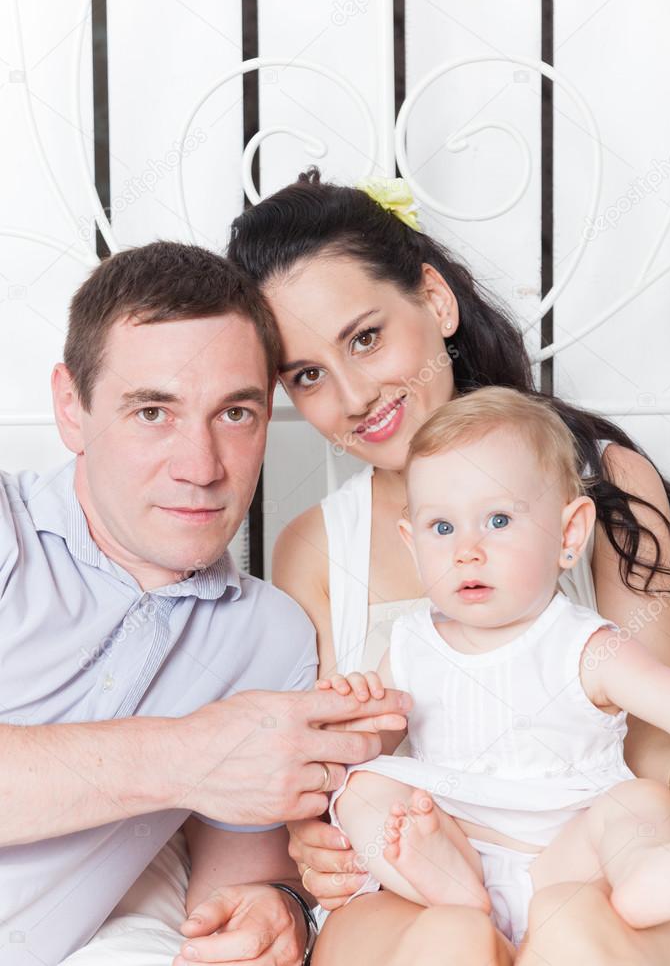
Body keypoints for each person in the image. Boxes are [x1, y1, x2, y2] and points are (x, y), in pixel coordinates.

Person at [224, 169, 670, 966]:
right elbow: (333, 758)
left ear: (435, 302)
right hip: (417, 880)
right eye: (307, 376)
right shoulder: (315, 545)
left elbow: (653, 752)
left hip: (582, 846)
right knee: (451, 936)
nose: (355, 393)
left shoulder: (603, 486)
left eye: (365, 337)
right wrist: (317, 836)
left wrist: (598, 850)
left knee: (575, 927)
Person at [0, 241, 410, 966]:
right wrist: (189, 753)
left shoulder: (270, 636)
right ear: (72, 406)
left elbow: (239, 883)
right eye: (153, 410)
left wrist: (273, 910)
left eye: (236, 414)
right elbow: (206, 760)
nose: (201, 467)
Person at [323, 387, 670, 950]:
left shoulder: (586, 645)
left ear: (568, 535)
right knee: (361, 789)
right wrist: (359, 712)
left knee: (637, 803)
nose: (467, 550)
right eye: (442, 528)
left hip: (566, 855)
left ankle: (642, 870)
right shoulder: (411, 644)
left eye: (497, 519)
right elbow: (375, 743)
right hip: (457, 835)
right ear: (412, 545)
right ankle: (455, 888)